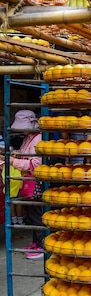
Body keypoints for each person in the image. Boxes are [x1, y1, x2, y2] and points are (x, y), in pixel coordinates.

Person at [0, 110, 44, 259]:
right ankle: (35, 242)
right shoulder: (28, 138)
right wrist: (17, 154)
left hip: (36, 182)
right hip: (27, 181)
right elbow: (26, 154)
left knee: (37, 215)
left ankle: (41, 246)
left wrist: (13, 161)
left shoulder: (39, 139)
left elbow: (35, 163)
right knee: (31, 214)